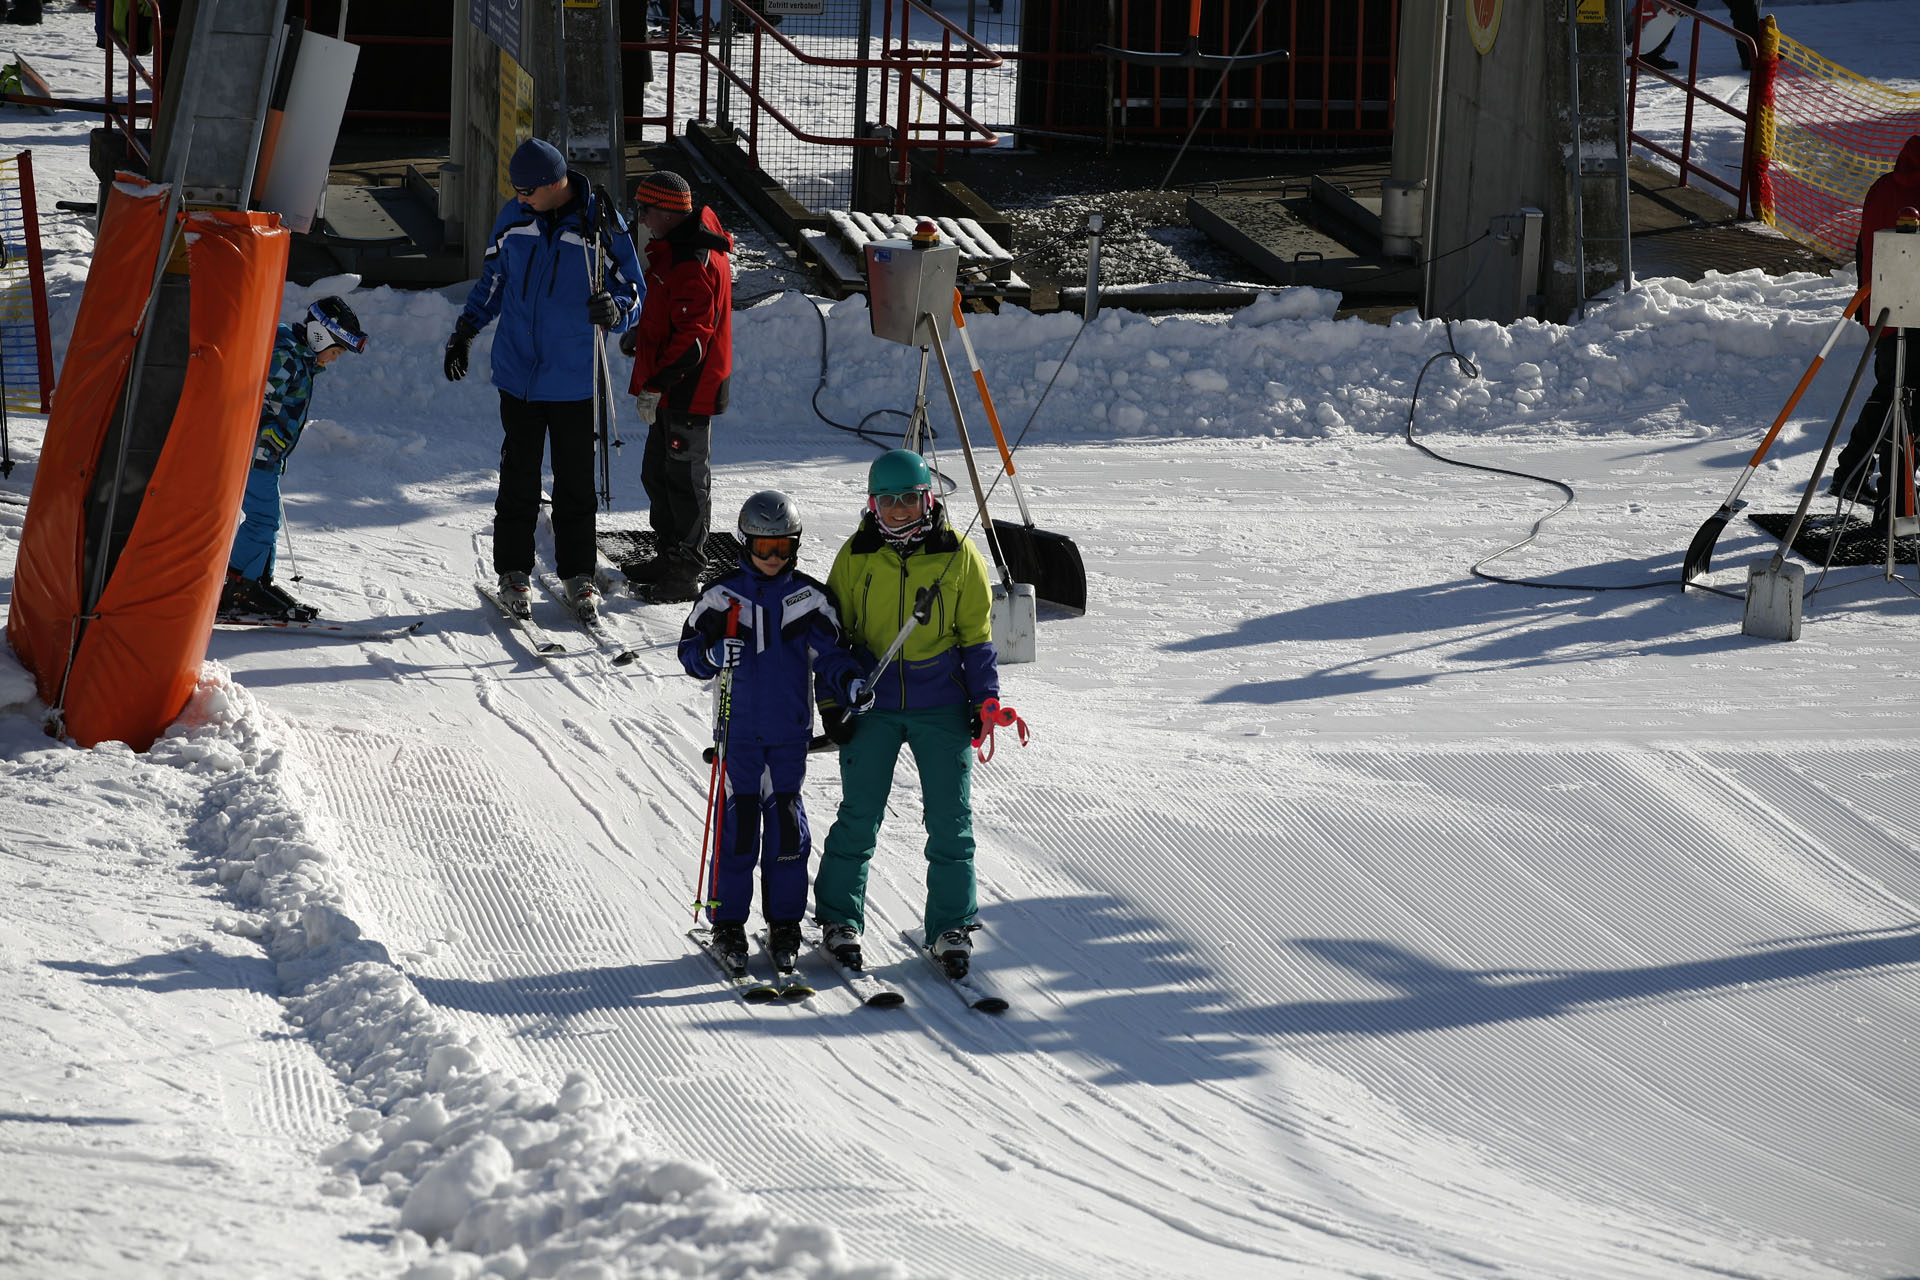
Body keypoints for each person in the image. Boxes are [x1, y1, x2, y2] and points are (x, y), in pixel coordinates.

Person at [813, 450, 1000, 980]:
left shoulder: (958, 555)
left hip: (941, 705)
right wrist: (834, 704)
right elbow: (834, 640)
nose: (898, 510)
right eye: (887, 500)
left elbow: (977, 639)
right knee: (859, 815)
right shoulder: (856, 555)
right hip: (871, 705)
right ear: (872, 505)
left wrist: (985, 699)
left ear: (929, 499)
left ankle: (950, 924)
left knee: (950, 821)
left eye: (909, 499)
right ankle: (838, 919)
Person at [444, 137, 645, 622]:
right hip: (518, 373)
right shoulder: (514, 219)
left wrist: (615, 310)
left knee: (576, 482)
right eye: (515, 190)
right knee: (518, 477)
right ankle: (513, 570)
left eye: (527, 190)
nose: (518, 198)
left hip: (575, 377)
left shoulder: (599, 225)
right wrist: (466, 330)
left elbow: (635, 290)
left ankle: (578, 572)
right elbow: (494, 279)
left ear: (555, 184)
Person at [678, 490, 870, 971]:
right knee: (739, 830)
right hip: (738, 733)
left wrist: (851, 683)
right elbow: (688, 653)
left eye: (783, 548)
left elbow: (831, 657)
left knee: (787, 832)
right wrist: (711, 655)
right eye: (763, 549)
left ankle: (784, 921)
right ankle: (728, 925)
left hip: (788, 735)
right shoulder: (721, 597)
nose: (773, 558)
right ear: (745, 544)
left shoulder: (809, 599)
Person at [619, 170, 734, 603]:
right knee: (659, 474)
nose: (642, 219)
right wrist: (642, 337)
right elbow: (675, 317)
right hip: (676, 385)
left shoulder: (689, 258)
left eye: (646, 211)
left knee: (685, 481)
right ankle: (669, 556)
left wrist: (655, 385)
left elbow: (692, 344)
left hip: (688, 388)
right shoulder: (681, 242)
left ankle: (685, 571)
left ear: (667, 211)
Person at [219, 296, 367, 622]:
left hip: (266, 457)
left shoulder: (296, 358)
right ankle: (238, 586)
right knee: (263, 519)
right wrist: (264, 437)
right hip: (253, 455)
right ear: (320, 337)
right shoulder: (284, 357)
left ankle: (256, 582)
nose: (335, 359)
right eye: (336, 351)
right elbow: (247, 399)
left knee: (267, 519)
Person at [1830, 135, 1920, 514]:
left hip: (1883, 310)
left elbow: (1862, 248)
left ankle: (1854, 473)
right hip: (1912, 318)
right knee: (1903, 404)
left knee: (1890, 394)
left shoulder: (1881, 186)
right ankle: (1892, 496)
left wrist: (1868, 309)